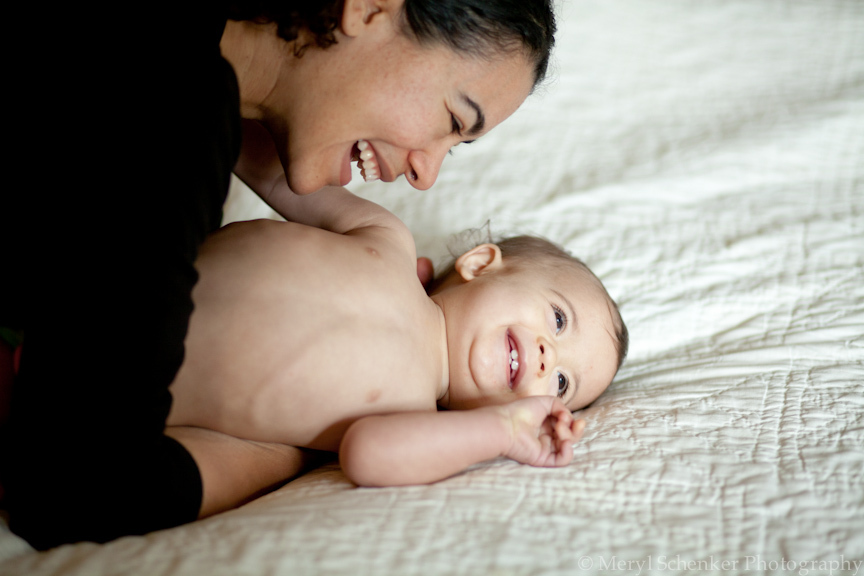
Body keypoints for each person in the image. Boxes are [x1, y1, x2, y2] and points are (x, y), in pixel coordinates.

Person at [3, 0, 556, 550]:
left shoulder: (198, 101)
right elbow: (74, 493)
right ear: (370, 10)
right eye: (453, 120)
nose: (425, 176)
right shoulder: (179, 118)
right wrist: (294, 450)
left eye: (454, 148)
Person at [164, 186, 629, 516]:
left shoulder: (413, 420)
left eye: (562, 384)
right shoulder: (386, 238)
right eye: (558, 319)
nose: (549, 357)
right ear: (481, 263)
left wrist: (504, 432)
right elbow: (280, 174)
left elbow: (364, 455)